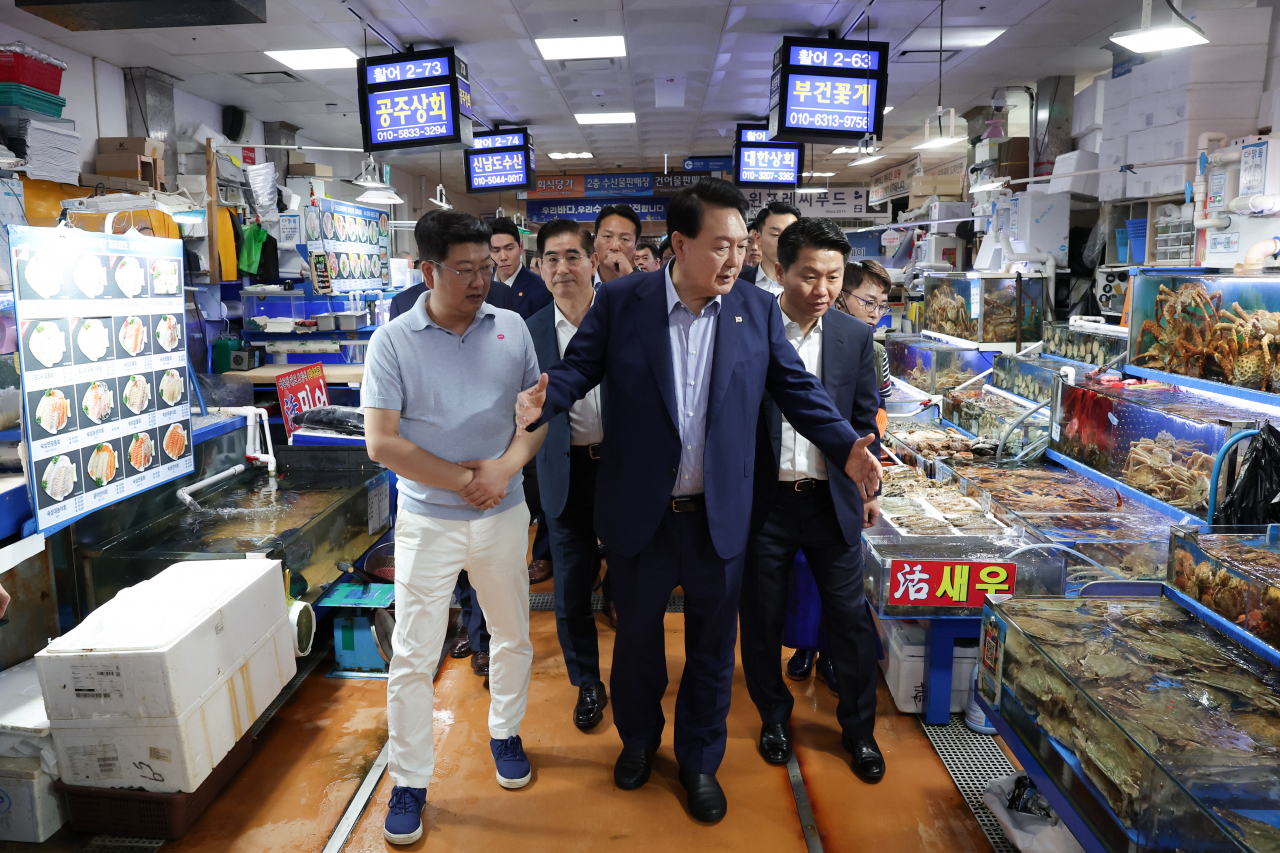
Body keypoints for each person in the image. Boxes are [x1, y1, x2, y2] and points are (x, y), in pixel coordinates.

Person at [513, 178, 881, 823]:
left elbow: (798, 390)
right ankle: (639, 742)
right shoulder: (624, 303)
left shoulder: (754, 311)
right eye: (720, 247)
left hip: (719, 517)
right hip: (641, 517)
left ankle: (700, 762)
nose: (734, 260)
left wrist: (847, 444)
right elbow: (581, 367)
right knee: (637, 651)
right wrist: (552, 395)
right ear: (680, 244)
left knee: (713, 651)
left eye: (741, 246)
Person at [365, 210, 548, 846]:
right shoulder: (392, 342)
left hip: (503, 513)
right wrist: (464, 481)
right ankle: (410, 777)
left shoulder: (513, 326)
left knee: (511, 634)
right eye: (465, 270)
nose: (480, 281)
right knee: (414, 654)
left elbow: (537, 417)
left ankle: (506, 732)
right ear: (428, 270)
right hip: (426, 520)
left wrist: (504, 469)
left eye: (488, 268)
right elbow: (383, 443)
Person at [739, 218, 885, 786]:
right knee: (762, 618)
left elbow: (865, 421)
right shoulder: (749, 329)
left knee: (849, 620)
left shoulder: (853, 336)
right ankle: (773, 718)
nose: (822, 289)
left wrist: (871, 491)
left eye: (834, 276)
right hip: (765, 504)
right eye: (809, 276)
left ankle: (859, 730)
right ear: (780, 271)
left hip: (832, 502)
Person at [782, 259, 895, 687]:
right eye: (868, 300)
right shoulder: (786, 332)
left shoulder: (869, 345)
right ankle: (804, 645)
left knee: (839, 585)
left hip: (841, 478)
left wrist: (871, 485)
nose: (874, 311)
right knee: (800, 576)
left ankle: (828, 650)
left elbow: (871, 414)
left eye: (882, 305)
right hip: (790, 473)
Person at [526, 219, 616, 730]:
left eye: (573, 257)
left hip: (625, 470)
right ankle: (588, 684)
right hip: (564, 475)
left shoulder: (623, 317)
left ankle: (636, 676)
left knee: (635, 584)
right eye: (552, 259)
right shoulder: (529, 329)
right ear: (539, 268)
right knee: (571, 591)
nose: (563, 268)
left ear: (592, 261)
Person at [738, 202, 801, 296]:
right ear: (758, 238)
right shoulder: (738, 283)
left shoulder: (808, 285)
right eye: (775, 234)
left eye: (792, 234)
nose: (784, 240)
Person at [593, 203, 641, 284]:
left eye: (624, 239)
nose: (614, 247)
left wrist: (630, 277)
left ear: (635, 246)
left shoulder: (646, 286)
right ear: (595, 240)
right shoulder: (579, 282)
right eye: (607, 236)